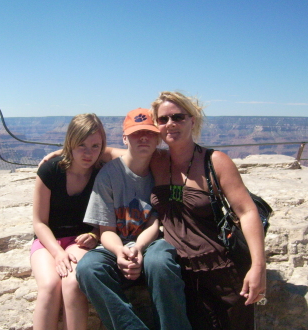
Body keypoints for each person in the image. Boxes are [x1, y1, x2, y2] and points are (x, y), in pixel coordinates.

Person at [149, 91, 266, 329]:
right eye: (163, 119)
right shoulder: (156, 161)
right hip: (180, 276)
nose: (170, 124)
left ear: (193, 120)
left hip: (221, 272)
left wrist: (258, 267)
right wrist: (60, 155)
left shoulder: (215, 161)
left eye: (178, 117)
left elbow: (247, 211)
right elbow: (112, 155)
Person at [75, 108, 191, 330]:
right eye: (137, 133)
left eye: (149, 133)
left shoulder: (160, 171)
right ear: (125, 138)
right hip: (115, 245)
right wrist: (120, 252)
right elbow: (106, 229)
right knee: (88, 268)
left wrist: (138, 247)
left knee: (160, 261)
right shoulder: (109, 175)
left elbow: (153, 222)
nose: (144, 138)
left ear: (157, 138)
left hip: (149, 243)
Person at [31, 113, 106, 330]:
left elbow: (105, 219)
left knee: (73, 282)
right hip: (48, 241)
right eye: (81, 145)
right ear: (70, 142)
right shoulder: (50, 170)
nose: (88, 153)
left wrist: (95, 234)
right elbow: (39, 222)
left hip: (79, 241)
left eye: (95, 146)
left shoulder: (102, 173)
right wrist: (57, 252)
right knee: (49, 285)